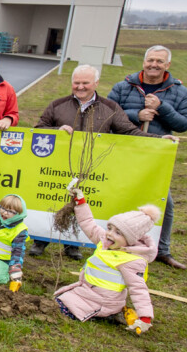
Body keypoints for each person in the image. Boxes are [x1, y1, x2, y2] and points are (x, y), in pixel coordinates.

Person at [32, 64, 165, 260]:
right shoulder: (57, 105)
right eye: (76, 82)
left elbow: (129, 131)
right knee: (54, 200)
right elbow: (39, 129)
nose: (80, 87)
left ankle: (73, 244)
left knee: (82, 203)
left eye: (85, 83)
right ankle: (41, 241)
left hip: (92, 166)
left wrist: (159, 140)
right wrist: (56, 131)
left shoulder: (109, 108)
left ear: (96, 83)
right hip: (60, 165)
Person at [107, 46, 187, 270]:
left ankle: (162, 250)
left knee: (165, 202)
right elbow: (107, 114)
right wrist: (136, 115)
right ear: (144, 61)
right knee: (114, 194)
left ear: (168, 65)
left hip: (156, 157)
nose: (154, 64)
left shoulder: (181, 92)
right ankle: (108, 240)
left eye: (159, 61)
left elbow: (185, 124)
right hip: (126, 150)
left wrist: (161, 108)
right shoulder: (123, 87)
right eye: (150, 60)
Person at [54, 185, 159, 335]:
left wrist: (145, 317)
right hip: (88, 292)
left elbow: (138, 289)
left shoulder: (131, 261)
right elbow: (88, 223)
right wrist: (81, 201)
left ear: (130, 240)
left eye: (118, 233)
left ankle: (105, 315)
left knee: (61, 307)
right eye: (110, 228)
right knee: (61, 300)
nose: (109, 234)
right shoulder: (106, 242)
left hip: (103, 302)